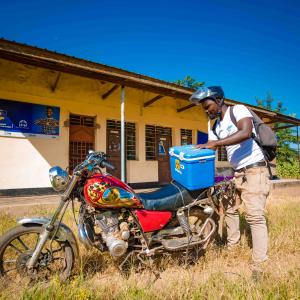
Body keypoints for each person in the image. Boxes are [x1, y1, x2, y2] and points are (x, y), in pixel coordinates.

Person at [189, 86, 270, 269]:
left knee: (254, 217)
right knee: (230, 210)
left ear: (219, 100)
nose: (206, 110)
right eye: (203, 107)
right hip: (236, 173)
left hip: (254, 170)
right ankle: (233, 247)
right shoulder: (216, 126)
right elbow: (211, 149)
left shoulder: (238, 110)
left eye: (207, 105)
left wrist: (216, 142)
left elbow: (245, 132)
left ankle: (260, 262)